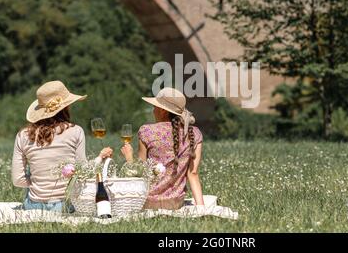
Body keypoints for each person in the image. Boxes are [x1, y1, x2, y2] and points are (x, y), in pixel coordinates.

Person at [11, 80, 112, 212]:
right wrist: (100, 158)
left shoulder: (22, 135)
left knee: (31, 169)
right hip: (65, 206)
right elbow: (83, 170)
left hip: (33, 206)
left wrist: (38, 182)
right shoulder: (76, 131)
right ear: (66, 107)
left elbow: (17, 180)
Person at [121, 87, 205, 210]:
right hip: (176, 203)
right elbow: (193, 174)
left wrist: (129, 159)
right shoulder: (194, 133)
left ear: (162, 110)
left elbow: (140, 173)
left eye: (155, 107)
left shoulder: (147, 131)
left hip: (149, 203)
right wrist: (201, 208)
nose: (153, 111)